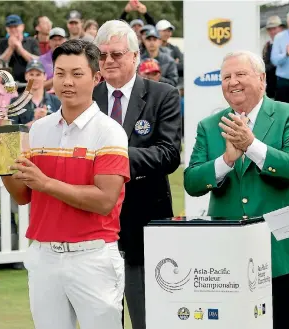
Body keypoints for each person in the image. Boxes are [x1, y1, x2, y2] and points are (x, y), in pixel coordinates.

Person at [0, 39, 129, 329]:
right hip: (44, 255)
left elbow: (104, 200)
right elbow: (24, 195)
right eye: (61, 73)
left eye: (77, 74)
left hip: (92, 257)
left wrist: (46, 183)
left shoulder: (110, 132)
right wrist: (3, 163)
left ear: (96, 77)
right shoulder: (38, 129)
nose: (67, 82)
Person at [184, 50, 289, 329]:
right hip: (228, 254)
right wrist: (226, 161)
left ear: (261, 79)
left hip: (280, 250)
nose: (232, 82)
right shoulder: (210, 125)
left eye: (240, 74)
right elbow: (192, 181)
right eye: (226, 77)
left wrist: (253, 146)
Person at [93, 20, 181, 329]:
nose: (108, 62)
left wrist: (111, 157)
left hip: (146, 222)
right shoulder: (86, 98)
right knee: (102, 316)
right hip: (95, 223)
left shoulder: (163, 95)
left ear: (134, 55)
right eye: (102, 55)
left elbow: (169, 154)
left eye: (116, 54)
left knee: (148, 317)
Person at [10, 59, 61, 127]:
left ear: (45, 76)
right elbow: (12, 133)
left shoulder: (57, 101)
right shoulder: (15, 102)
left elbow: (63, 128)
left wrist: (48, 117)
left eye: (38, 75)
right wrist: (35, 121)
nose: (34, 78)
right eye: (31, 74)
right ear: (26, 76)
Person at [0, 15, 40, 91]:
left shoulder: (32, 41)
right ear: (7, 29)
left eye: (16, 26)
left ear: (22, 27)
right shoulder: (1, 43)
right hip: (8, 87)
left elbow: (38, 61)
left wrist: (20, 49)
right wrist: (10, 48)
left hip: (30, 86)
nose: (13, 29)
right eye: (10, 27)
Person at [262, 16, 286, 98]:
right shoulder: (267, 46)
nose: (272, 31)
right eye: (269, 29)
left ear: (281, 28)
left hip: (285, 87)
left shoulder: (287, 45)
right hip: (271, 88)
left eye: (274, 28)